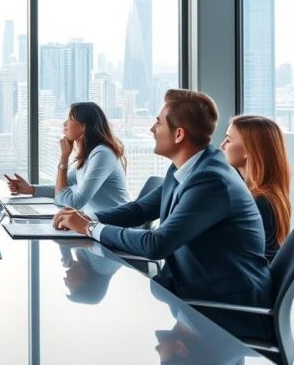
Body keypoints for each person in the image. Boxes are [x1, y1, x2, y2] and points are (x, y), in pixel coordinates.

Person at [54, 89, 271, 339]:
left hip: (226, 310)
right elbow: (138, 210)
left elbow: (156, 244)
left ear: (179, 134)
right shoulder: (185, 168)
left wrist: (89, 228)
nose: (151, 129)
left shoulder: (211, 181)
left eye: (158, 122)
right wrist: (87, 220)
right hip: (194, 293)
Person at [6, 102, 130, 216]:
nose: (65, 124)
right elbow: (64, 186)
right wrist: (31, 189)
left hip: (116, 227)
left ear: (84, 127)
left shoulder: (102, 153)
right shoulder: (90, 154)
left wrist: (64, 158)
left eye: (70, 119)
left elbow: (74, 203)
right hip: (98, 224)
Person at [220, 115, 293, 263]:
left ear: (248, 150)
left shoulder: (260, 202)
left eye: (228, 140)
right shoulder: (261, 194)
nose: (222, 145)